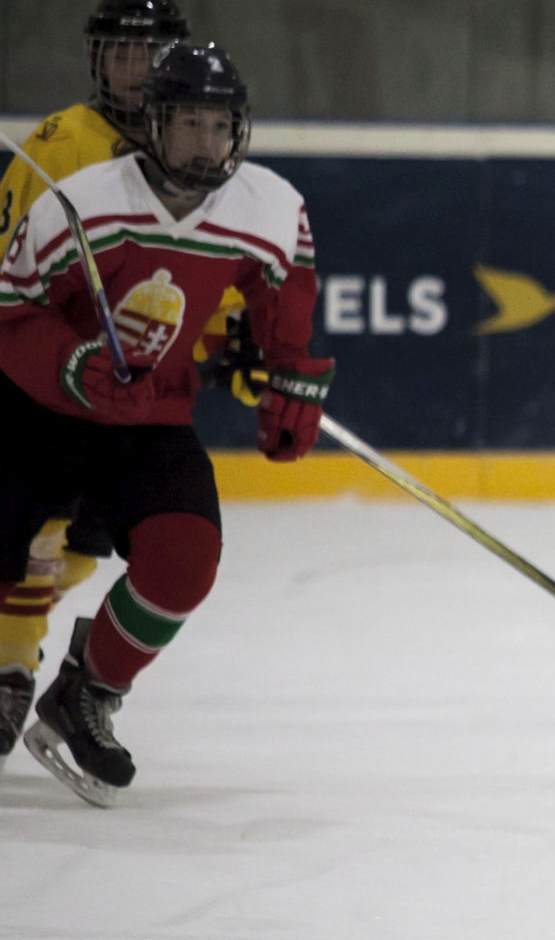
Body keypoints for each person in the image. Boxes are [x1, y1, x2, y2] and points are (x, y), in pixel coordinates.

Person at [0, 43, 330, 805]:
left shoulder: (270, 208)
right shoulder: (82, 202)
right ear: (154, 124)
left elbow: (284, 293)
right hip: (37, 410)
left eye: (220, 126)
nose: (206, 143)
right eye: (188, 123)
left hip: (145, 418)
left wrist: (284, 372)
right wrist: (74, 363)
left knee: (185, 562)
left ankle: (87, 693)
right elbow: (12, 313)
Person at [0, 0, 198, 767]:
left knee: (89, 541)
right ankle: (12, 671)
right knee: (37, 529)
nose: (135, 67)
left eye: (149, 51)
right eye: (120, 51)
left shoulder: (190, 141)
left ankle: (35, 656)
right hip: (48, 379)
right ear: (97, 60)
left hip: (137, 392)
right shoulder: (58, 142)